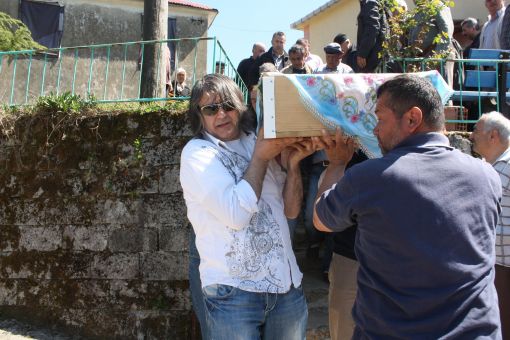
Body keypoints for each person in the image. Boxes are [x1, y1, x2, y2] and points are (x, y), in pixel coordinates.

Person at [314, 74, 502, 339]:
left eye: (380, 118)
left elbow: (321, 219)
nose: (374, 130)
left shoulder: (370, 177)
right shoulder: (487, 176)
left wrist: (336, 164)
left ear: (412, 118)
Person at [180, 74, 310, 339]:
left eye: (228, 105)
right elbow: (236, 215)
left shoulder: (255, 141)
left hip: (285, 287)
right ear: (199, 115)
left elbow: (292, 211)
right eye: (211, 108)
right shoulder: (197, 153)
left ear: (241, 107)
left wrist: (294, 164)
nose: (222, 114)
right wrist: (262, 156)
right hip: (233, 293)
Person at [470, 111, 510, 340]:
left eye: (476, 130)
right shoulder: (495, 166)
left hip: (504, 265)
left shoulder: (505, 167)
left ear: (493, 135)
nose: (471, 136)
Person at [356, 0, 387, 72]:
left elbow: (372, 28)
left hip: (371, 57)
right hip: (377, 55)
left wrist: (362, 53)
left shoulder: (370, 3)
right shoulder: (376, 4)